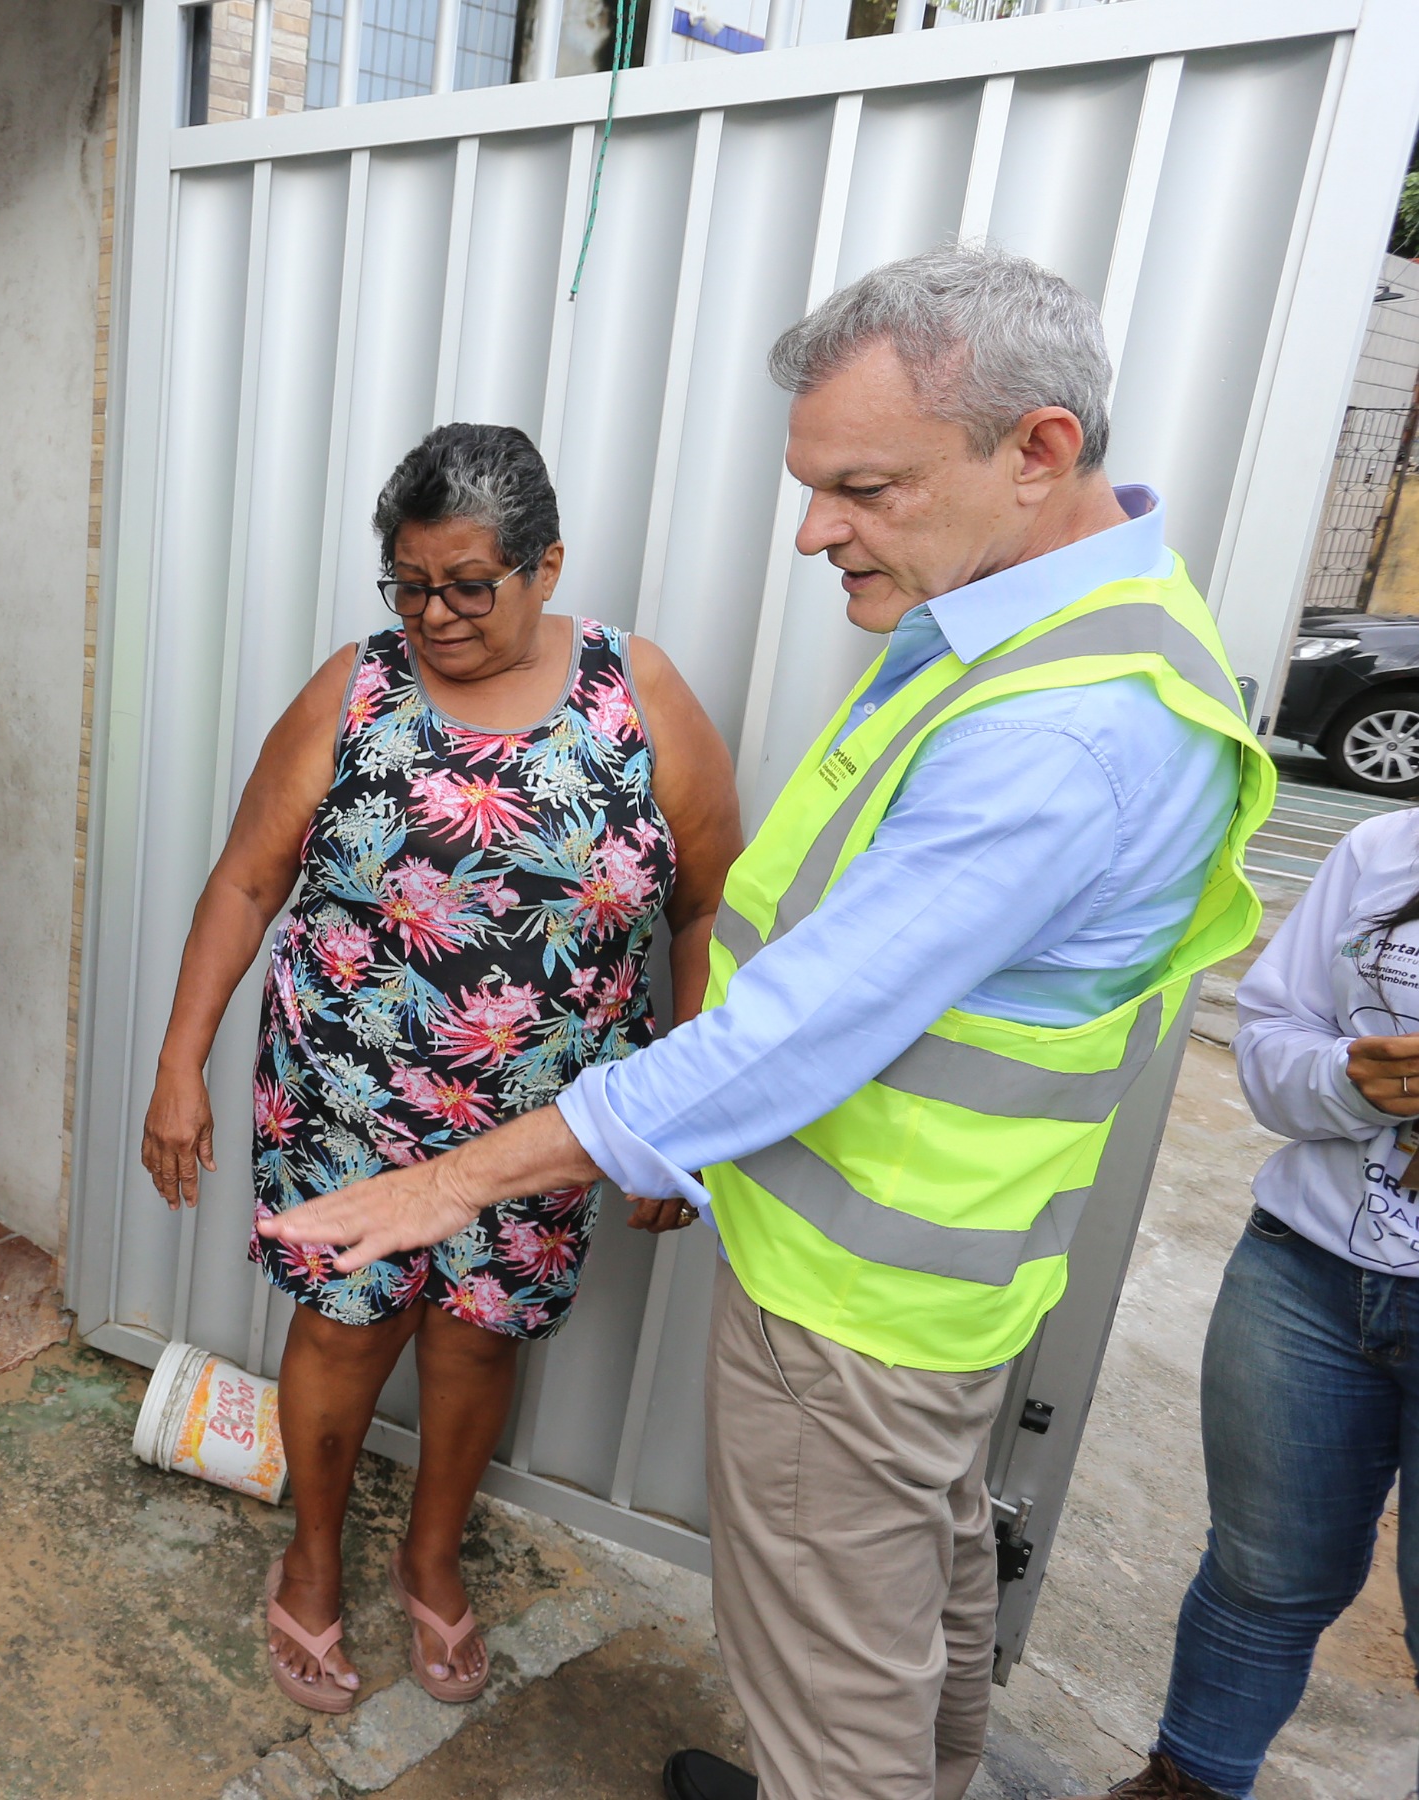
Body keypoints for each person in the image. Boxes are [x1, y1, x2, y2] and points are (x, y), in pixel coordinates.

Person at [257, 241, 1275, 1800]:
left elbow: (789, 1021)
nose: (814, 531)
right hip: (918, 1289)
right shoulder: (1032, 638)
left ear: (1039, 451)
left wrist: (450, 1178)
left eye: (863, 486)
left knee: (830, 1722)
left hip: (863, 1313)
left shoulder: (1062, 728)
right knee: (913, 1648)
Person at [141, 423, 742, 1712]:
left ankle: (429, 1555)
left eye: (468, 583)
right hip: (346, 1094)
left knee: (478, 1340)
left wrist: (678, 1116)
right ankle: (310, 1563)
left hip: (548, 1121)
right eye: (408, 584)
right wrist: (179, 1061)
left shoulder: (638, 692)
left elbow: (706, 908)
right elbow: (249, 878)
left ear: (544, 564)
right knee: (346, 1328)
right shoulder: (355, 689)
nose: (435, 614)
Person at [1102, 808, 1419, 1798]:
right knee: (1259, 1581)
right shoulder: (1384, 849)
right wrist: (1347, 1081)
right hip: (1307, 1277)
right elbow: (1271, 1041)